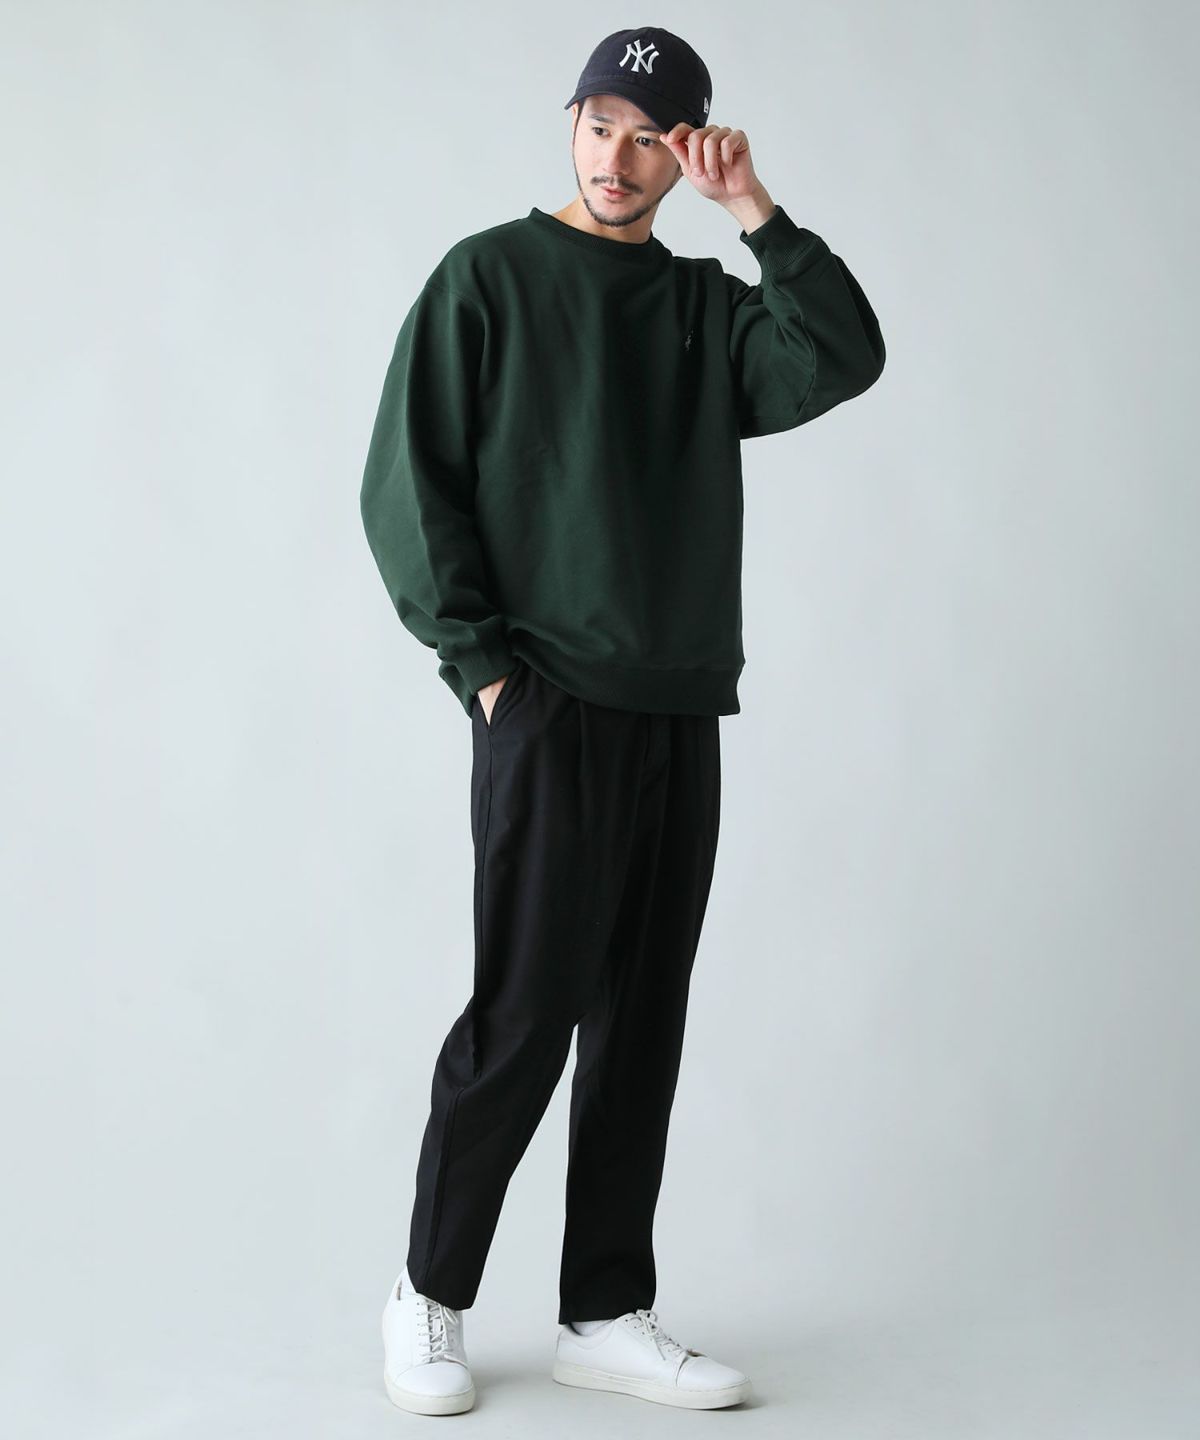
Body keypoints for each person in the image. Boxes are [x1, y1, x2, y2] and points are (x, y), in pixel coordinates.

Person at [360, 25, 886, 1416]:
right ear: (572, 125)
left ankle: (603, 1309)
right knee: (524, 1012)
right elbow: (408, 482)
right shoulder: (487, 277)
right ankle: (428, 1294)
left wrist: (756, 211)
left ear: (684, 151)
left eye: (651, 137)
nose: (619, 156)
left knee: (642, 1020)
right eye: (601, 125)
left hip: (675, 704)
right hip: (545, 701)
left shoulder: (706, 311)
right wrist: (484, 669)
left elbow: (843, 354)